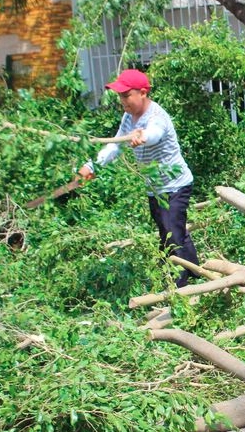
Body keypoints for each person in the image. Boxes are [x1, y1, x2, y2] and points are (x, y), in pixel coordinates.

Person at [78, 69, 199, 287]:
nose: (122, 101)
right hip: (155, 188)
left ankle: (178, 289)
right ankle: (198, 273)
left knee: (171, 237)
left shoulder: (156, 117)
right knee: (171, 230)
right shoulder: (128, 117)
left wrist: (143, 137)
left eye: (126, 95)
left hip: (175, 186)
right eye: (120, 96)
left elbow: (155, 134)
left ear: (143, 93)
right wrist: (92, 165)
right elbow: (115, 144)